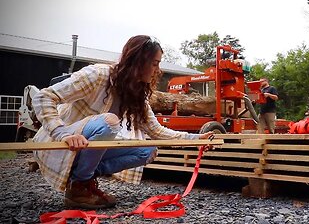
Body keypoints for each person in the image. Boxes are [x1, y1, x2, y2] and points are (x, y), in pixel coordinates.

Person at [32, 35, 213, 209]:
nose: (158, 70)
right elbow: (43, 97)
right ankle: (79, 188)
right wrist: (63, 133)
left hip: (84, 148)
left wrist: (196, 138)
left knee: (148, 150)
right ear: (138, 62)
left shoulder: (136, 92)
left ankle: (82, 177)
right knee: (110, 122)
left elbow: (157, 132)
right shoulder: (98, 74)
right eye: (155, 64)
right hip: (60, 143)